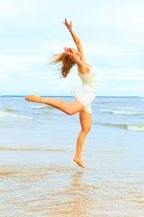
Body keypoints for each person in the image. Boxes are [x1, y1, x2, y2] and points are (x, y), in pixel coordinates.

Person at [25, 19, 97, 168]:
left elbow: (79, 43)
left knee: (86, 128)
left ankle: (77, 156)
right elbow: (79, 59)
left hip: (88, 96)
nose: (79, 52)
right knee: (70, 111)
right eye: (77, 54)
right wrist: (73, 55)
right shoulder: (82, 66)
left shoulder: (83, 61)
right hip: (86, 95)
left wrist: (70, 29)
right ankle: (41, 100)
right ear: (75, 58)